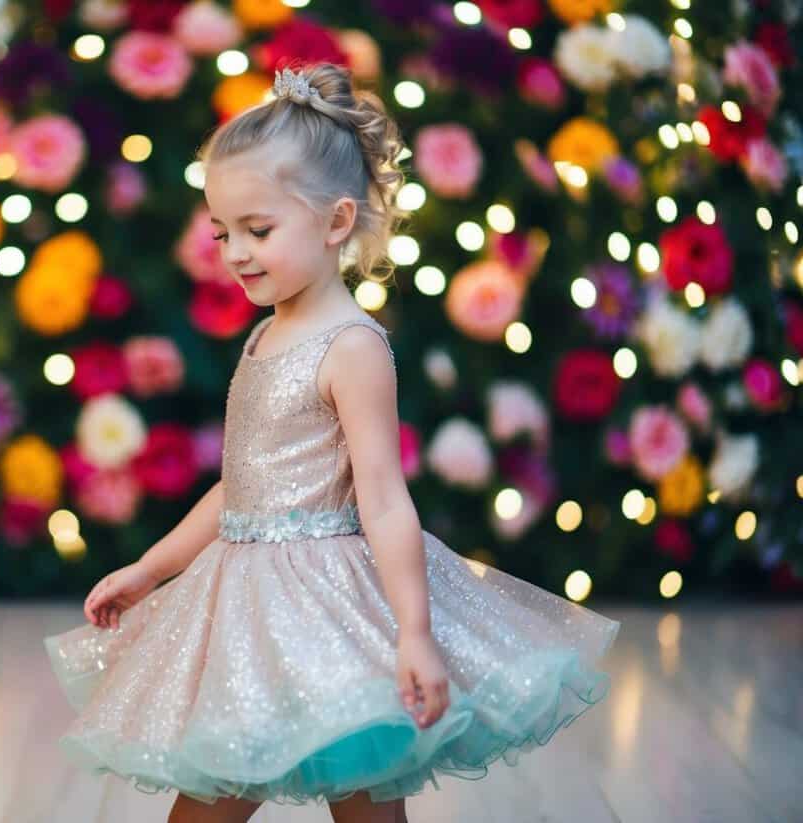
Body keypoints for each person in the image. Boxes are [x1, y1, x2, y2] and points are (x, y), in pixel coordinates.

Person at [44, 62, 621, 823]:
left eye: (259, 229)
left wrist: (413, 634)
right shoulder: (261, 335)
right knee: (216, 784)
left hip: (334, 608)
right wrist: (151, 569)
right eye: (223, 232)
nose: (237, 253)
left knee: (366, 790)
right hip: (245, 607)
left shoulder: (351, 347)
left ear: (337, 221)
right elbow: (240, 488)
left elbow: (383, 499)